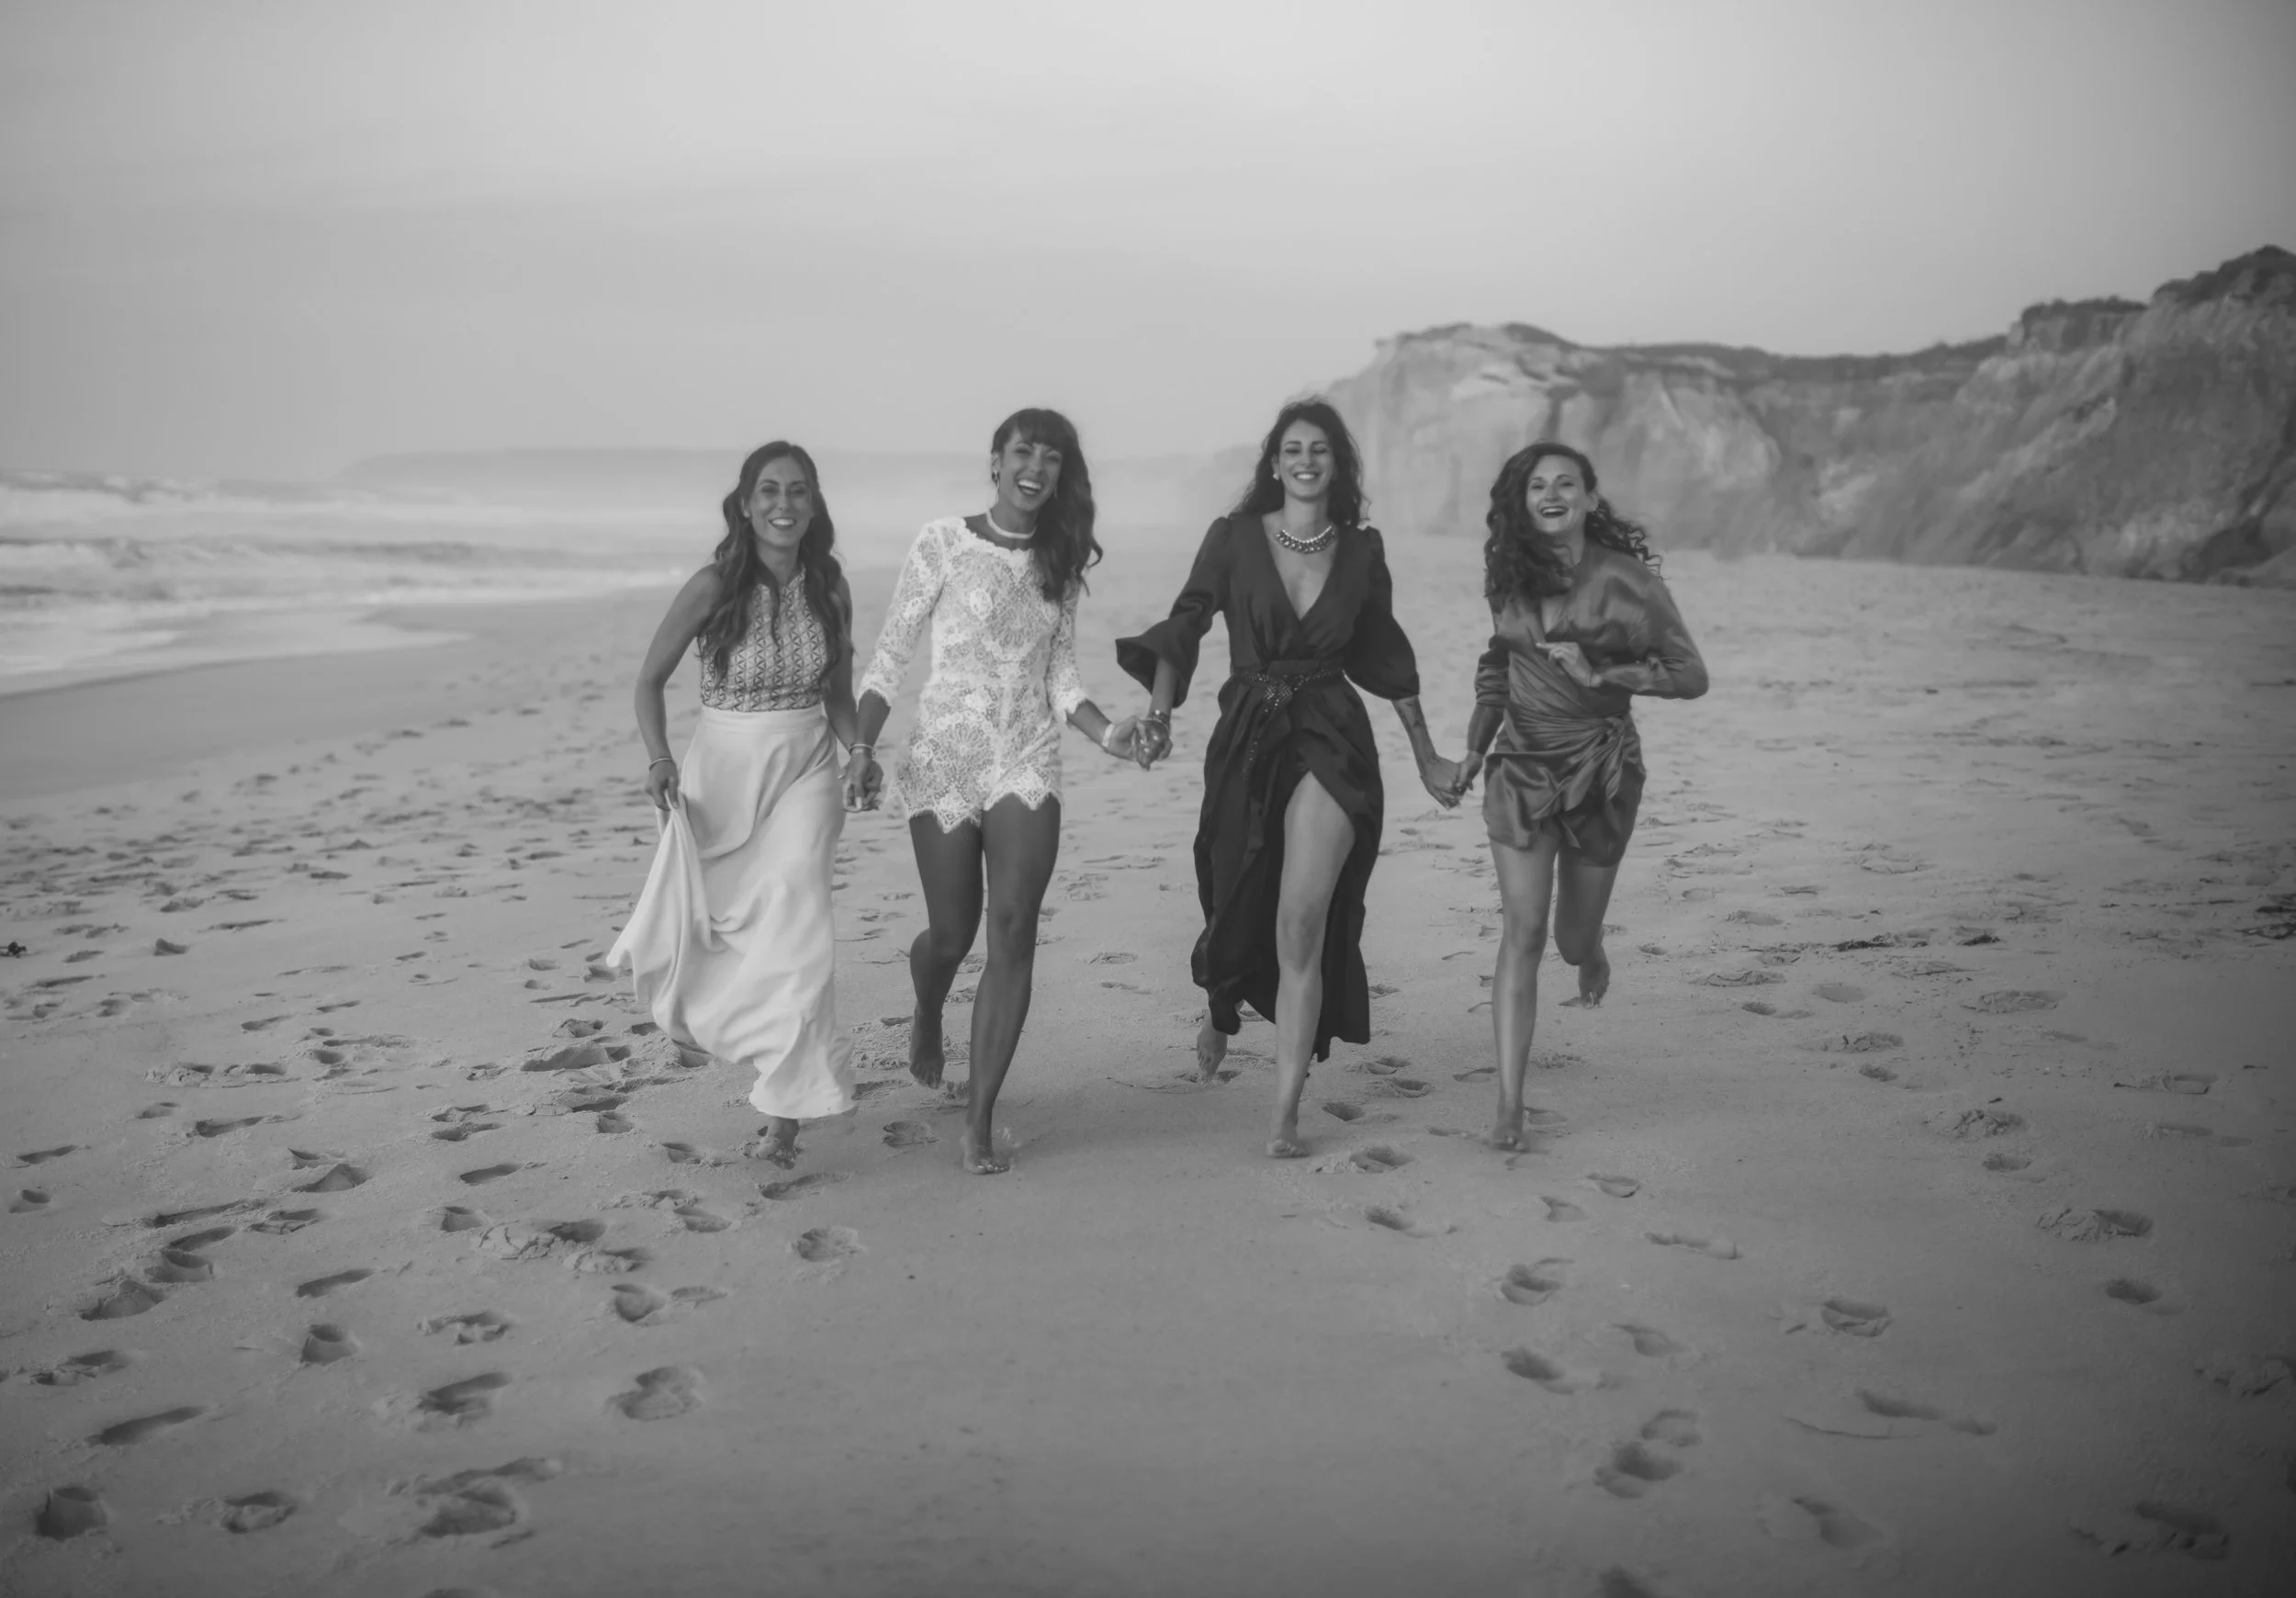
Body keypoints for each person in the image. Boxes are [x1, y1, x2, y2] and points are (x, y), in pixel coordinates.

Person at [1119, 398, 1465, 1159]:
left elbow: (1385, 658)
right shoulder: (1234, 538)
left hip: (1333, 737)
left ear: (1336, 466)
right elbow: (1186, 623)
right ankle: (1220, 1008)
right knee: (1233, 890)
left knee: (1301, 920)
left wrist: (1427, 754)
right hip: (1248, 735)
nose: (1307, 459)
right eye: (1293, 449)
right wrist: (1160, 713)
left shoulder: (1362, 551)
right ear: (1274, 463)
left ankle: (1284, 1114)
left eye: (1321, 450)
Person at [846, 408, 1141, 1175]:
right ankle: (927, 1006)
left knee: (1012, 931)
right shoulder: (942, 540)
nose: (1034, 466)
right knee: (952, 933)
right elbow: (889, 656)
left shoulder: (1060, 559)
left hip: (1027, 755)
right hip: (945, 752)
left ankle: (978, 1117)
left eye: (1050, 456)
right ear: (996, 461)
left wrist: (1110, 734)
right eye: (1022, 452)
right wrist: (861, 745)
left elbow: (1061, 676)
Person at [610, 442, 861, 1168]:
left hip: (806, 764)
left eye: (799, 491)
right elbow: (648, 683)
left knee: (798, 915)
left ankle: (787, 1108)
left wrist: (863, 752)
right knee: (718, 928)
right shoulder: (712, 585)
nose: (785, 504)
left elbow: (839, 699)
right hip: (721, 771)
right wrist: (659, 758)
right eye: (770, 491)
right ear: (746, 504)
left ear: (814, 505)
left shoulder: (832, 588)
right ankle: (718, 1022)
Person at [1454, 442, 1708, 1151]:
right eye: (1538, 484)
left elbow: (1691, 676)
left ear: (1592, 500)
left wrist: (1604, 674)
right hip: (1522, 765)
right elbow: (1497, 665)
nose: (1552, 492)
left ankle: (1592, 951)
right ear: (1523, 501)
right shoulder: (1507, 575)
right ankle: (1509, 1103)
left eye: (1568, 482)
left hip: (1602, 768)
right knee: (1524, 930)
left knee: (1566, 942)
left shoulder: (1630, 584)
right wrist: (1475, 749)